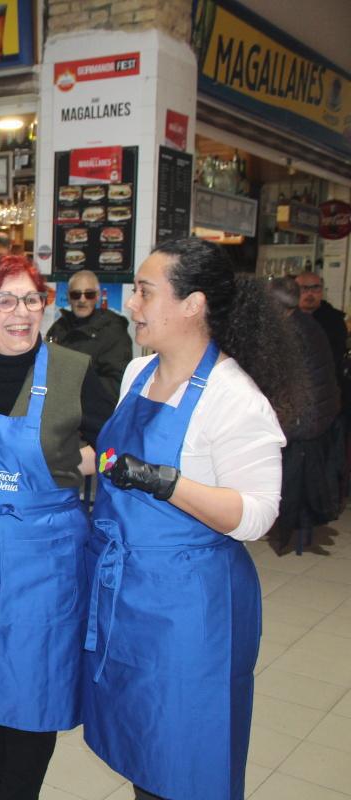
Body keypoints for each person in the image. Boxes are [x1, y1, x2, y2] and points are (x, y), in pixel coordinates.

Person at [84, 238, 296, 800]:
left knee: (187, 760)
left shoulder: (233, 397)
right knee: (142, 748)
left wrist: (168, 483)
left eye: (146, 293)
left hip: (190, 611)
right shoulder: (136, 374)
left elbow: (257, 514)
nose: (132, 305)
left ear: (192, 305)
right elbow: (115, 462)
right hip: (128, 598)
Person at [0, 254, 113, 800]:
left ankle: (19, 792)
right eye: (4, 300)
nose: (21, 313)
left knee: (33, 683)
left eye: (31, 299)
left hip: (45, 555)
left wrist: (75, 464)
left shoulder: (71, 371)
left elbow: (118, 448)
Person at [267, 276, 340, 554]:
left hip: (303, 420)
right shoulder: (306, 324)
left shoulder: (291, 332)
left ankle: (276, 521)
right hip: (319, 414)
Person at [46, 269, 132, 403]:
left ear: (97, 296)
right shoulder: (59, 327)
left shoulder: (113, 330)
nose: (82, 300)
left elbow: (117, 384)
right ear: (68, 297)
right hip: (58, 409)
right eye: (76, 294)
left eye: (89, 294)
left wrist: (70, 384)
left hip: (92, 415)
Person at [296, 270, 347, 369]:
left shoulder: (334, 320)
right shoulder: (285, 316)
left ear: (322, 291)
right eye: (304, 288)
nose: (310, 293)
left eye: (315, 288)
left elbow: (335, 356)